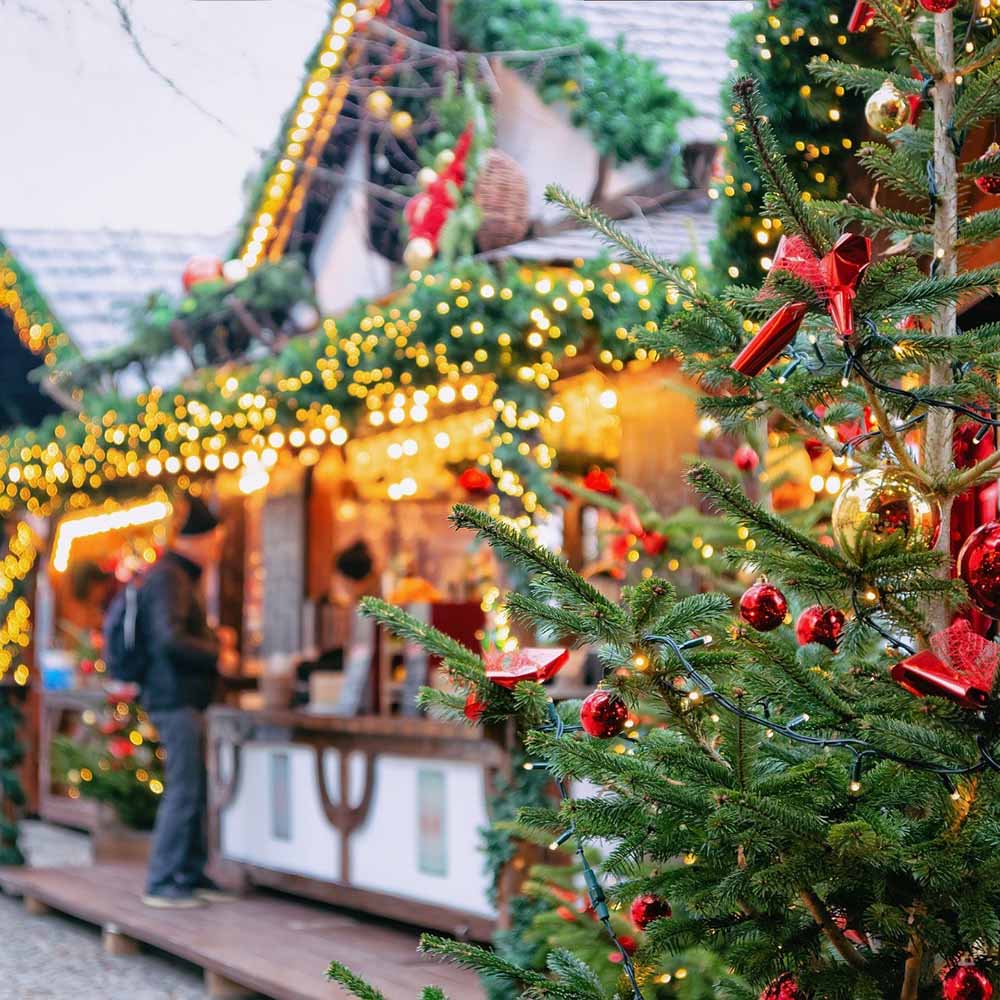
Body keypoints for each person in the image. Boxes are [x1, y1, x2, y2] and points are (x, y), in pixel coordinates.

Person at [138, 495, 238, 908]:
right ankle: (163, 880)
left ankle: (189, 873)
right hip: (174, 697)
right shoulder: (169, 578)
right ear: (196, 540)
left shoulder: (176, 576)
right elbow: (169, 639)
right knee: (183, 788)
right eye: (214, 540)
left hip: (181, 697)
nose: (216, 549)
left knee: (193, 787)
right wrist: (217, 652)